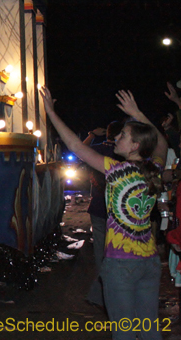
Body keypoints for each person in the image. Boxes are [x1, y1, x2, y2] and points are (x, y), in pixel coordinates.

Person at [40, 87, 166, 340]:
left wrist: (51, 113)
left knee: (124, 332)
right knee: (149, 330)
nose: (117, 137)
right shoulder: (153, 169)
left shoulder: (117, 170)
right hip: (149, 262)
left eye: (124, 136)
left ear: (135, 146)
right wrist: (138, 114)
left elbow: (75, 145)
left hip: (122, 264)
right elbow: (162, 143)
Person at [81, 121, 123, 311]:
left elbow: (80, 150)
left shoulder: (98, 149)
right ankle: (108, 296)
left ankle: (100, 295)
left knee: (101, 254)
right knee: (118, 254)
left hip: (98, 208)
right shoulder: (122, 154)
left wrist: (91, 134)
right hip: (119, 211)